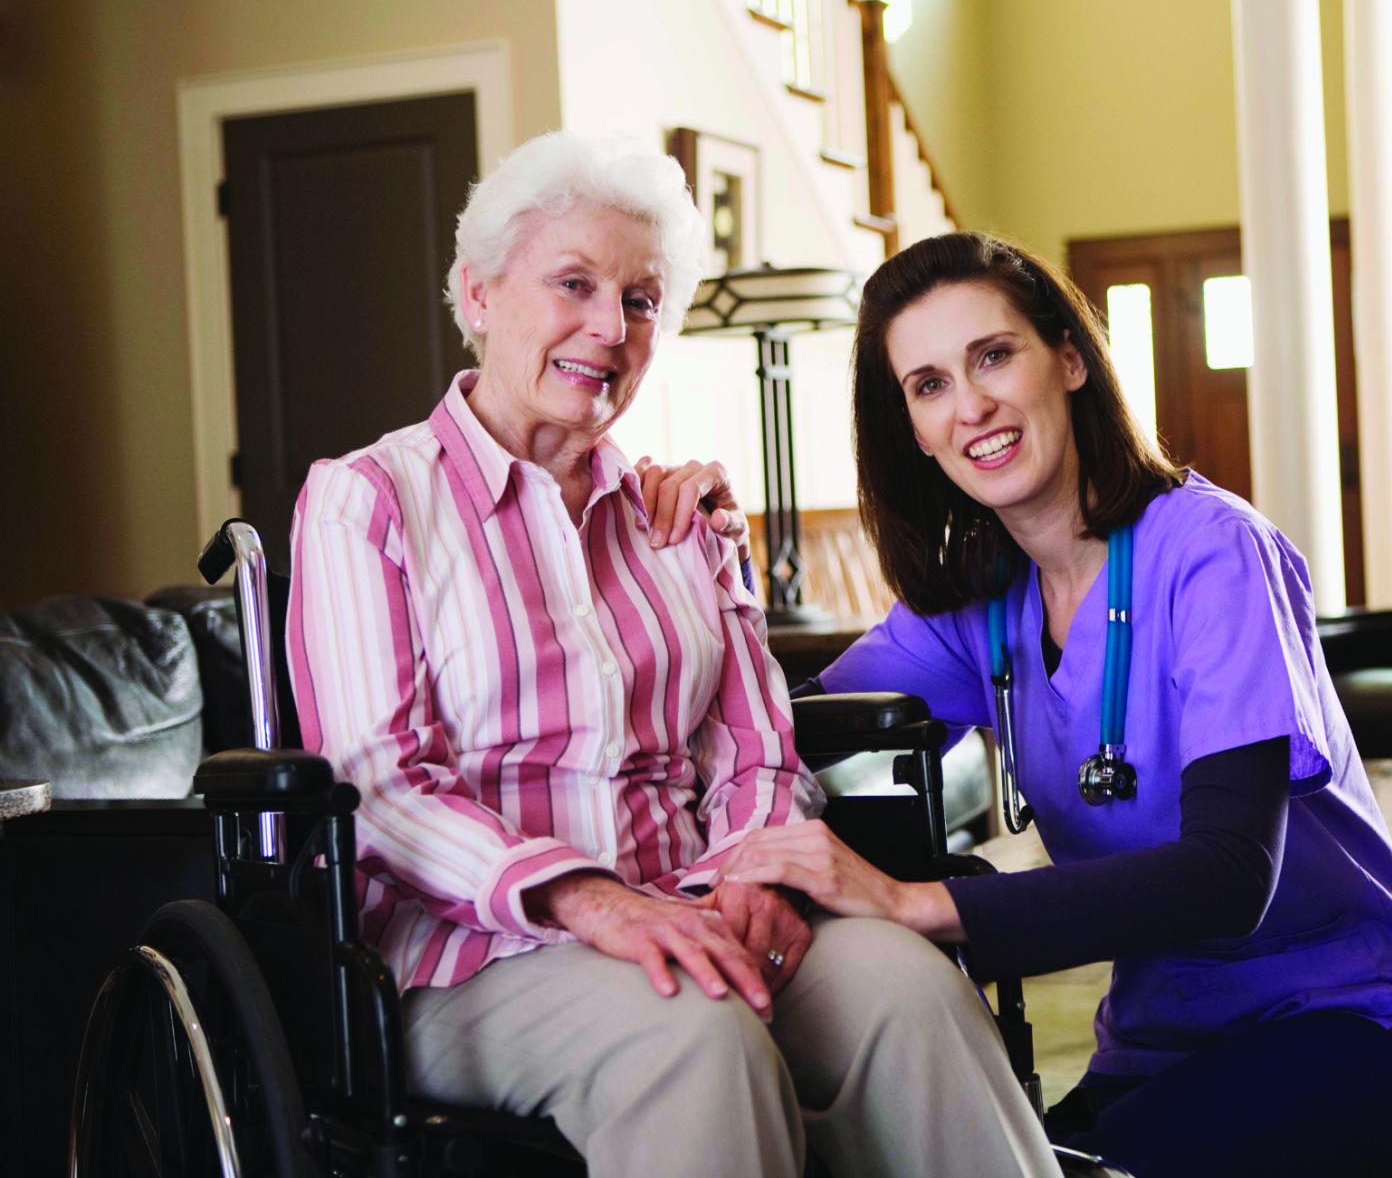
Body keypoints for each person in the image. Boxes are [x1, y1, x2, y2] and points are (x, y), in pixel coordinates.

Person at [287, 136, 1061, 1178]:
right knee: (695, 1031)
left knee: (911, 989)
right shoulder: (370, 500)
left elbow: (759, 753)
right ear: (477, 294)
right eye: (575, 284)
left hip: (701, 911)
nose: (609, 328)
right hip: (477, 954)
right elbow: (376, 785)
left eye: (642, 300)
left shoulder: (679, 515)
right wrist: (587, 896)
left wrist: (759, 877)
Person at [649, 231, 1392, 1177]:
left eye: (993, 356)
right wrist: (704, 567)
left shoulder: (1211, 552)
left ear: (1071, 358)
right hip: (1163, 1047)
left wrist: (916, 904)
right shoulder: (977, 601)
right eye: (928, 386)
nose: (971, 408)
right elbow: (784, 728)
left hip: (1361, 1020)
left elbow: (1227, 874)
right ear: (914, 432)